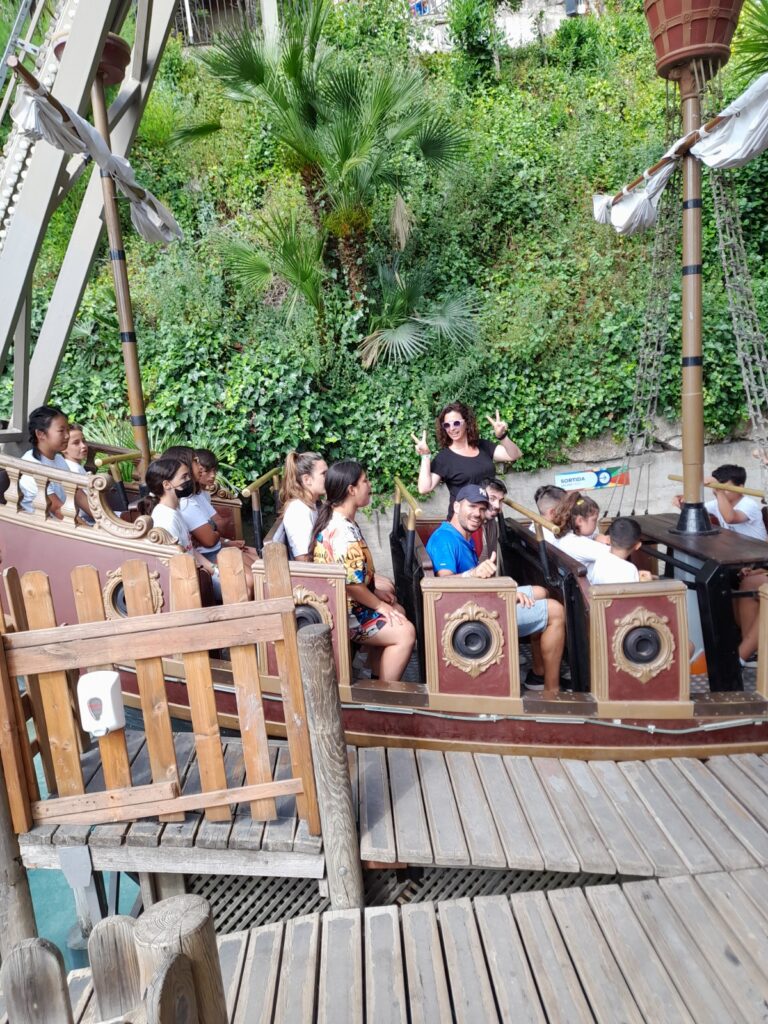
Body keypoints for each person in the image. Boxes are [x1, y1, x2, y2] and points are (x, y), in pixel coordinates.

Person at [426, 485, 566, 691]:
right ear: (456, 506)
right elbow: (443, 586)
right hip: (468, 617)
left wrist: (504, 591)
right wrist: (481, 580)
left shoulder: (461, 534)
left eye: (482, 508)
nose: (478, 513)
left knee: (540, 592)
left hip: (477, 601)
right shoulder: (445, 539)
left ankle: (538, 673)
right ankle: (552, 689)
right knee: (556, 611)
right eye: (472, 506)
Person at [312, 460, 415, 681]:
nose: (370, 485)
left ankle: (375, 677)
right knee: (405, 632)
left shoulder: (342, 521)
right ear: (351, 489)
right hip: (344, 614)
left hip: (348, 604)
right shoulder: (342, 531)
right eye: (365, 481)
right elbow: (351, 585)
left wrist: (376, 594)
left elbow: (353, 577)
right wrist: (379, 605)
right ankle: (384, 693)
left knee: (397, 610)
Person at [675, 465, 768, 664]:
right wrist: (683, 502)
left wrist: (718, 490)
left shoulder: (748, 504)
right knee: (722, 584)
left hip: (759, 561)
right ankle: (748, 649)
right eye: (719, 488)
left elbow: (730, 517)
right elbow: (696, 509)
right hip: (741, 562)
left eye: (726, 488)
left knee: (746, 585)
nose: (721, 492)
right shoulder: (719, 501)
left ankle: (745, 653)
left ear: (740, 487)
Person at [412, 402, 522, 519]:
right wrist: (425, 455)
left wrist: (502, 436)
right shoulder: (444, 458)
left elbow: (514, 455)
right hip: (462, 521)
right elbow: (424, 488)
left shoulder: (483, 446)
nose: (452, 428)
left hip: (487, 518)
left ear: (467, 423)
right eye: (447, 425)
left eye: (456, 423)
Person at [147, 456, 219, 585]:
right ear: (167, 485)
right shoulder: (167, 519)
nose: (189, 480)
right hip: (189, 581)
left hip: (198, 572)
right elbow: (178, 563)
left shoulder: (175, 510)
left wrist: (214, 569)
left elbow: (189, 550)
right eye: (184, 477)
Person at [19, 406, 90, 519]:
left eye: (67, 430)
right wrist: (86, 527)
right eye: (61, 431)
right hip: (42, 526)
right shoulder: (32, 465)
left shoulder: (59, 459)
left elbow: (78, 494)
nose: (67, 435)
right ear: (40, 434)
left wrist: (104, 520)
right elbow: (57, 509)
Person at [277, 451, 328, 560]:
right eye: (324, 474)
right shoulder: (299, 511)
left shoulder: (312, 504)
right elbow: (303, 560)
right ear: (307, 479)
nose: (329, 477)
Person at [550, 492, 610, 568]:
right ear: (580, 521)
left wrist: (596, 536)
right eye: (594, 520)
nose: (596, 524)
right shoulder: (579, 544)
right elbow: (616, 554)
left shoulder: (565, 536)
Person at [588, 517, 653, 585]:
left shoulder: (600, 559)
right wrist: (648, 582)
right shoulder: (630, 570)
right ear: (637, 546)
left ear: (609, 539)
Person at [479, 476, 507, 562]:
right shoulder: (471, 525)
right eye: (492, 498)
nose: (497, 506)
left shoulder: (492, 522)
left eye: (500, 501)